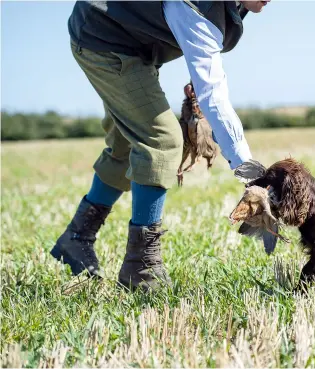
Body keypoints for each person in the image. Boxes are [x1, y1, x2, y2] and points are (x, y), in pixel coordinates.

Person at [50, 0, 270, 292]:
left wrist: (196, 81)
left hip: (130, 45)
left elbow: (202, 43)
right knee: (161, 140)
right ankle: (142, 268)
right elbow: (214, 94)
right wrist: (251, 176)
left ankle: (77, 236)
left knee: (126, 145)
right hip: (103, 39)